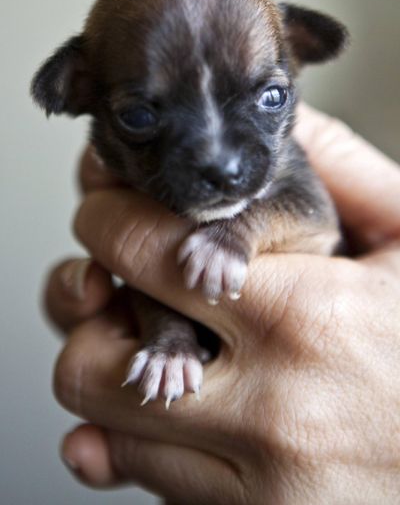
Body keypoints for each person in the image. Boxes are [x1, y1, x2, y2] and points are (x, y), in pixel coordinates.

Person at [44, 105, 400, 504]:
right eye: (140, 115)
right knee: (149, 268)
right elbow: (144, 280)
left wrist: (240, 232)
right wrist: (168, 337)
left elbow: (314, 218)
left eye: (270, 96)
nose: (218, 156)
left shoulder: (289, 150)